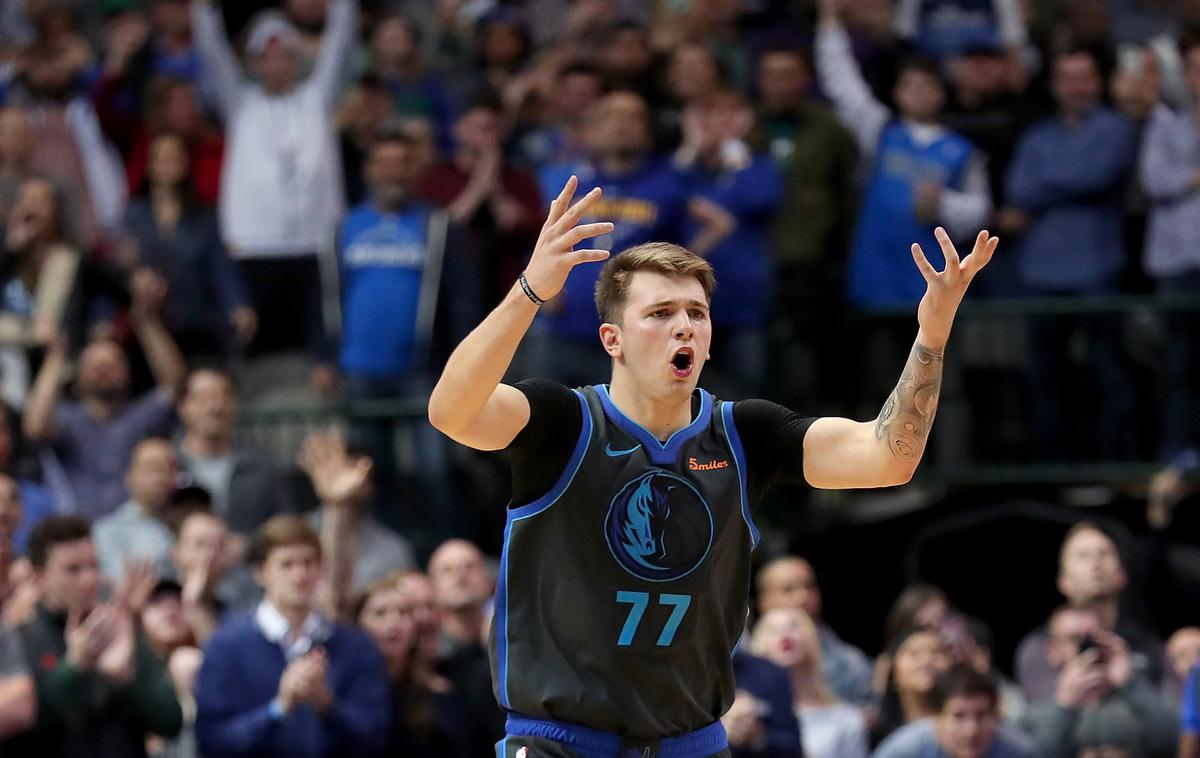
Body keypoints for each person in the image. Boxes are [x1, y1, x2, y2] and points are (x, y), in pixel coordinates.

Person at [426, 170, 997, 754]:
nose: (684, 326)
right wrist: (529, 291)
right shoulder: (561, 421)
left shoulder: (746, 434)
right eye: (660, 313)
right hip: (560, 740)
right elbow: (451, 412)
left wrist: (931, 335)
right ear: (611, 339)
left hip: (691, 742)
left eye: (697, 313)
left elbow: (888, 459)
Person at [190, 0, 357, 382]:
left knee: (321, 337)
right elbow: (212, 53)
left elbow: (340, 41)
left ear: (297, 60)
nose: (277, 64)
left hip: (315, 241)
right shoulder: (240, 104)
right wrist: (204, 11)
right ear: (254, 63)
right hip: (251, 243)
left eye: (285, 56)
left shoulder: (316, 99)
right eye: (268, 57)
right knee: (246, 335)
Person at [1005, 47, 1140, 461]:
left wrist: (1049, 184)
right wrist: (1070, 182)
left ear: (1098, 82)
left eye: (1085, 77)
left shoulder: (1117, 128)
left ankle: (1114, 471)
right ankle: (1054, 474)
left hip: (1097, 270)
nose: (1077, 86)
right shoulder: (1037, 136)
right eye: (1068, 78)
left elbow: (1098, 174)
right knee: (1045, 379)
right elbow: (1017, 190)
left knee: (1109, 377)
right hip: (1041, 274)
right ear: (1055, 85)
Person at [816, 0, 991, 310]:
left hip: (933, 287)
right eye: (910, 86)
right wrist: (829, 23)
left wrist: (944, 204)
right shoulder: (880, 130)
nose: (919, 93)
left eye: (927, 86)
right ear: (897, 94)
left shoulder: (962, 150)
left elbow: (980, 212)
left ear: (941, 93)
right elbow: (842, 82)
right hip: (875, 278)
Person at [193, 514, 391, 757]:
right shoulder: (225, 647)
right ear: (261, 572)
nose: (300, 576)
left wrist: (326, 705)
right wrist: (278, 709)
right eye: (287, 565)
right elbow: (213, 743)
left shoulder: (356, 646)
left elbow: (375, 739)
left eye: (308, 563)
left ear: (321, 569)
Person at [4, 515, 183, 756]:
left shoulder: (120, 630)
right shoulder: (20, 639)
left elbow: (170, 721)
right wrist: (74, 667)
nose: (88, 579)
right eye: (73, 570)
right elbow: (18, 725)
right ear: (39, 578)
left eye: (93, 566)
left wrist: (127, 679)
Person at [22, 269, 185, 519]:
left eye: (113, 363)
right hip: (77, 530)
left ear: (129, 373)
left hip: (136, 530)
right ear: (76, 379)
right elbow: (35, 425)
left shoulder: (140, 415)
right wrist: (56, 356)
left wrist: (146, 321)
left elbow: (176, 386)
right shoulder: (66, 417)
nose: (104, 370)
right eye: (94, 365)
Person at [120, 133, 253, 358]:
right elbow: (119, 264)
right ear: (150, 165)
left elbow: (220, 266)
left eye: (175, 156)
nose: (169, 163)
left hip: (194, 321)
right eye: (161, 157)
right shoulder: (133, 216)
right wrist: (129, 269)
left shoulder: (204, 218)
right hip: (146, 328)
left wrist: (237, 304)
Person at [1013, 522, 1163, 702]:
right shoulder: (1040, 646)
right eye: (1083, 556)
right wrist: (1066, 700)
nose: (1096, 563)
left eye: (1104, 554)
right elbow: (1035, 722)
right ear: (1063, 582)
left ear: (1122, 576)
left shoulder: (1146, 644)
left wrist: (1129, 683)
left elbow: (1175, 720)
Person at [1017, 605, 1178, 757]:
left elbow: (1176, 744)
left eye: (1093, 638)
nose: (1086, 647)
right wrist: (1064, 708)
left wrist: (1130, 683)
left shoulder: (1136, 694)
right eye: (1075, 639)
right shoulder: (1038, 710)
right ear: (1052, 651)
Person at [354, 571, 475, 757]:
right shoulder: (344, 694)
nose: (394, 623)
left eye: (403, 613)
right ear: (358, 624)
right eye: (380, 613)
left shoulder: (439, 697)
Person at [175, 366, 295, 535]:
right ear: (182, 406)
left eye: (224, 396)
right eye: (202, 398)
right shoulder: (168, 466)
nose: (215, 407)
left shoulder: (262, 467)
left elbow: (285, 529)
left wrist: (245, 547)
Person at [756, 555, 874, 707]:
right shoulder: (735, 660)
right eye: (788, 590)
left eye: (809, 586)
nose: (803, 596)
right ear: (764, 601)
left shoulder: (850, 662)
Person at [751, 607, 868, 758]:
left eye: (794, 626)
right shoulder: (748, 717)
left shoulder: (846, 720)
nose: (785, 635)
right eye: (773, 630)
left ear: (812, 639)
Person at [874, 664, 1033, 758]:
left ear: (996, 716)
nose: (971, 730)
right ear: (936, 717)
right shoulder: (903, 751)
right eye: (958, 716)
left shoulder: (1020, 752)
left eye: (981, 716)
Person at [91, 437, 178, 581]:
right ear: (130, 477)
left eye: (169, 469)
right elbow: (121, 584)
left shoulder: (191, 522)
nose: (162, 477)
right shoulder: (108, 531)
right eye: (152, 468)